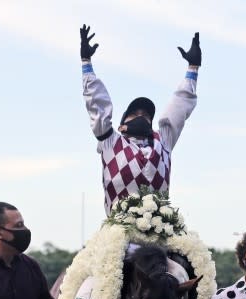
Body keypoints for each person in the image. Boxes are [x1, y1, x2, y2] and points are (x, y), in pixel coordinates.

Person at [80, 24, 201, 214]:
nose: (141, 117)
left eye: (146, 115)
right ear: (121, 127)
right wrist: (86, 63)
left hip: (159, 234)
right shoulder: (110, 141)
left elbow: (179, 108)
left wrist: (193, 69)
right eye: (134, 114)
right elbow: (98, 104)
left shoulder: (164, 141)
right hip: (118, 235)